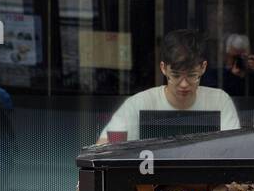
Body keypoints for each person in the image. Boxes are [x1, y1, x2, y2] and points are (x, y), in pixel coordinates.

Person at [96, 29, 240, 143]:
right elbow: (103, 147)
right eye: (176, 76)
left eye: (192, 75)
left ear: (203, 68)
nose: (184, 84)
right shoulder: (139, 103)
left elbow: (234, 149)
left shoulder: (219, 101)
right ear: (163, 68)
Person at [202, 33, 254, 99]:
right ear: (226, 56)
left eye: (242, 57)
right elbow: (217, 96)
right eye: (235, 57)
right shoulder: (216, 75)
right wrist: (232, 76)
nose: (238, 60)